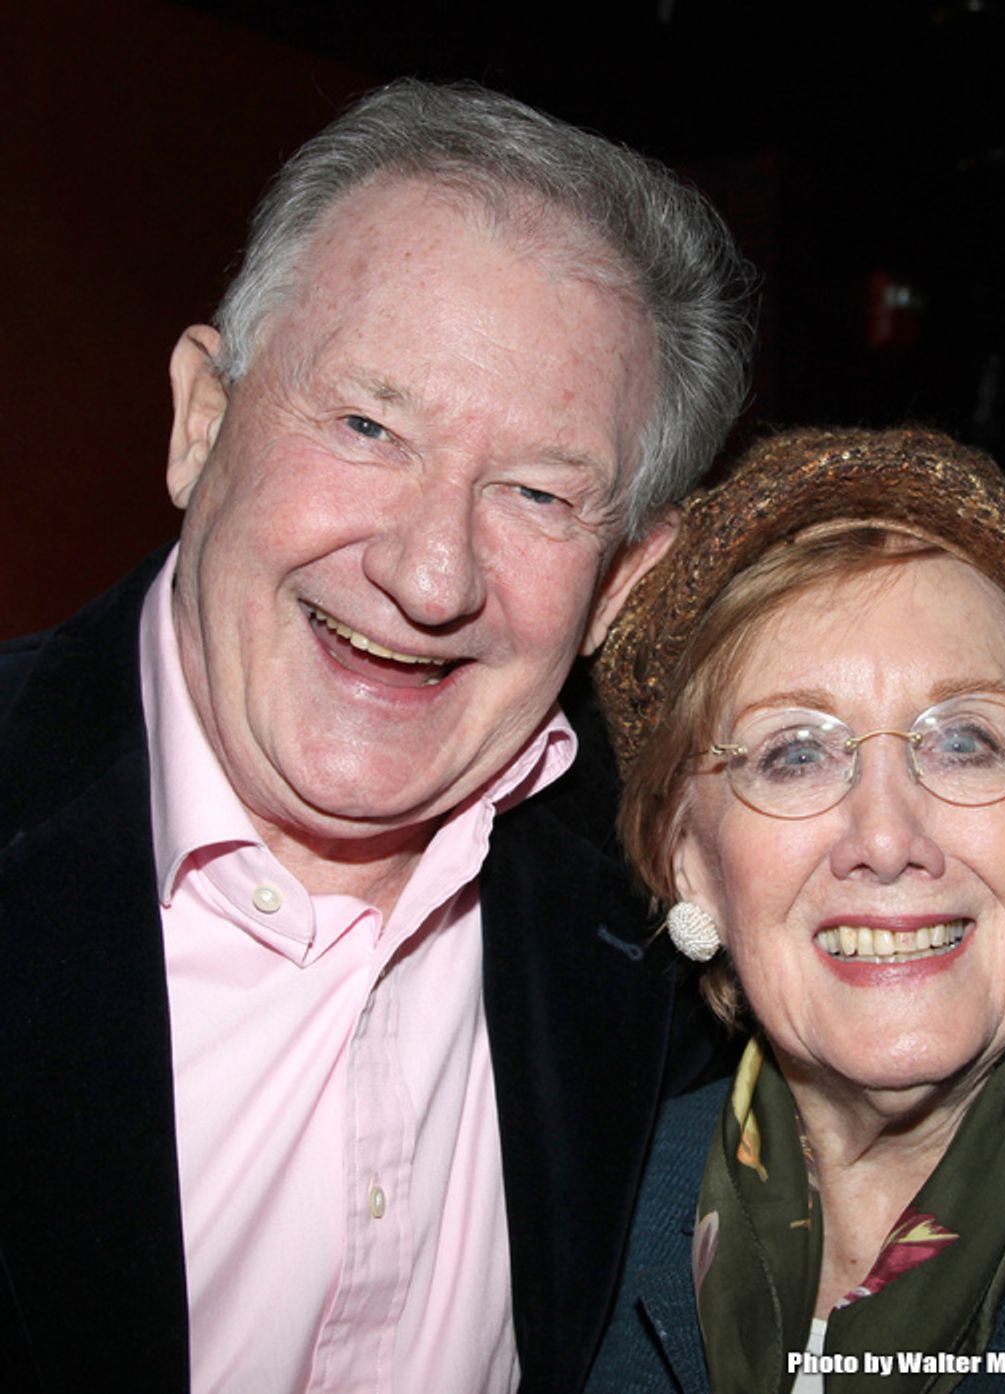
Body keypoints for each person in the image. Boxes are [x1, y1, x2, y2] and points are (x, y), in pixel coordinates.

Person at [0, 80, 754, 1394]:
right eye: (366, 426)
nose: (430, 572)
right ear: (199, 420)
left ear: (622, 587)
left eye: (536, 489)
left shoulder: (671, 911)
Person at [587, 427, 1005, 1393]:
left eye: (964, 740)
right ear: (685, 859)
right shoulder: (576, 1231)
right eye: (794, 752)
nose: (886, 834)